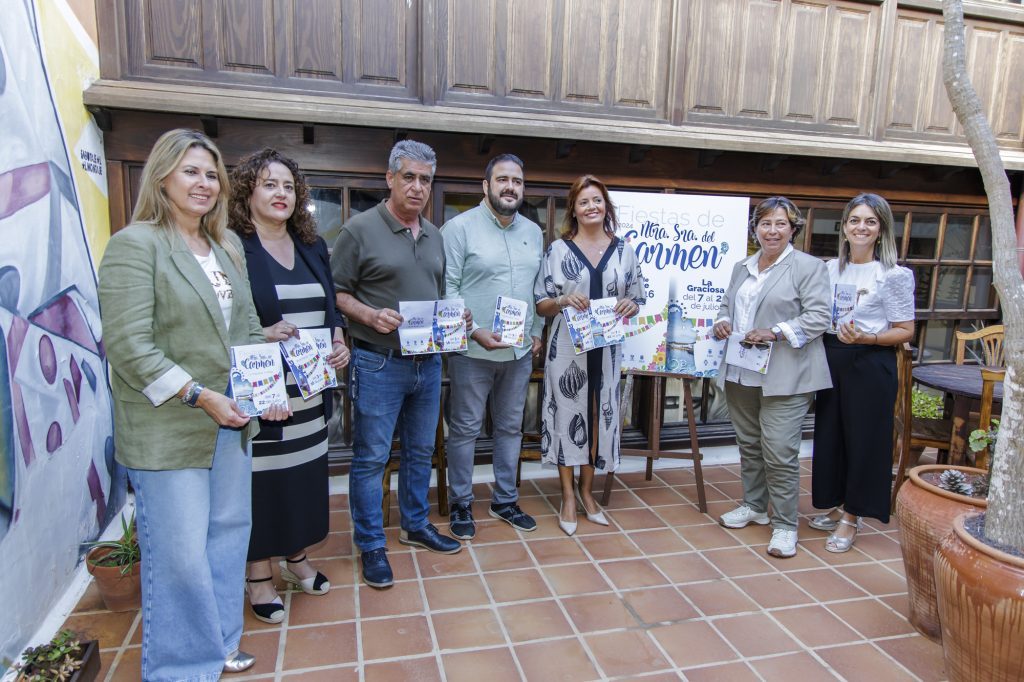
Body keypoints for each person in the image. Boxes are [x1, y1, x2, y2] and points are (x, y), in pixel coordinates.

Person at [97, 129, 290, 679]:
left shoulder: (226, 245)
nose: (203, 183)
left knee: (228, 534)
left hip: (230, 421)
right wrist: (201, 396)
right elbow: (129, 347)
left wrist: (265, 391)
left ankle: (221, 643)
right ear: (162, 177)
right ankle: (180, 668)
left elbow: (247, 327)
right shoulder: (135, 245)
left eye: (211, 174)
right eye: (190, 172)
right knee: (179, 555)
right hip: (169, 426)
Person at [331, 140, 463, 589]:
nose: (418, 187)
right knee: (372, 458)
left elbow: (436, 295)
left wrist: (455, 319)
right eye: (409, 177)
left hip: (428, 364)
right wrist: (369, 315)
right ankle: (371, 544)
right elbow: (335, 292)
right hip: (378, 363)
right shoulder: (359, 230)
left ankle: (415, 524)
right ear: (390, 178)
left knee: (421, 451)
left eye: (425, 179)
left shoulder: (435, 235)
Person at [228, 149, 350, 622]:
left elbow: (330, 304)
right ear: (248, 192)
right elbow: (223, 319)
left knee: (302, 478)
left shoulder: (311, 245)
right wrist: (262, 335)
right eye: (269, 184)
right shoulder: (232, 247)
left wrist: (338, 337)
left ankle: (296, 559)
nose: (281, 193)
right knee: (264, 483)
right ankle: (258, 575)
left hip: (310, 388)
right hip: (264, 389)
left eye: (288, 186)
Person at [712, 196, 831, 559]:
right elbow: (727, 305)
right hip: (741, 369)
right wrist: (723, 321)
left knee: (779, 451)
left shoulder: (809, 267)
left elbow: (819, 317)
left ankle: (785, 525)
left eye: (781, 224)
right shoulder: (742, 266)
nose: (772, 231)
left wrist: (775, 332)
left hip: (787, 375)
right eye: (765, 223)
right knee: (749, 443)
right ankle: (754, 506)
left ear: (793, 228)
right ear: (756, 229)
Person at [533, 175, 645, 536]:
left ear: (606, 206)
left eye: (597, 200)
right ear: (574, 209)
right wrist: (563, 299)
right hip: (567, 350)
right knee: (568, 416)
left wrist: (631, 305)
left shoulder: (625, 251)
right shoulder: (558, 250)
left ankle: (587, 491)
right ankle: (567, 496)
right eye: (584, 202)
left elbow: (637, 297)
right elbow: (541, 303)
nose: (591, 207)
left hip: (607, 352)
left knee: (598, 418)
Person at [442, 153, 544, 539]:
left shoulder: (533, 232)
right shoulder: (459, 228)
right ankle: (461, 502)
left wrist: (537, 330)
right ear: (486, 186)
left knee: (510, 427)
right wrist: (474, 331)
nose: (510, 187)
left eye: (517, 181)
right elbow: (448, 288)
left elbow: (538, 289)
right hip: (473, 351)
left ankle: (505, 500)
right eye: (502, 179)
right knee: (465, 429)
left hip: (518, 352)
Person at [810, 193, 915, 552]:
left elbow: (905, 330)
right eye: (854, 220)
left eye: (870, 221)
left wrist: (868, 337)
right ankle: (838, 502)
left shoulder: (893, 275)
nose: (861, 227)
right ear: (844, 227)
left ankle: (852, 517)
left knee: (864, 440)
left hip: (870, 360)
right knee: (832, 436)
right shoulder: (828, 270)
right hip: (831, 358)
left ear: (881, 229)